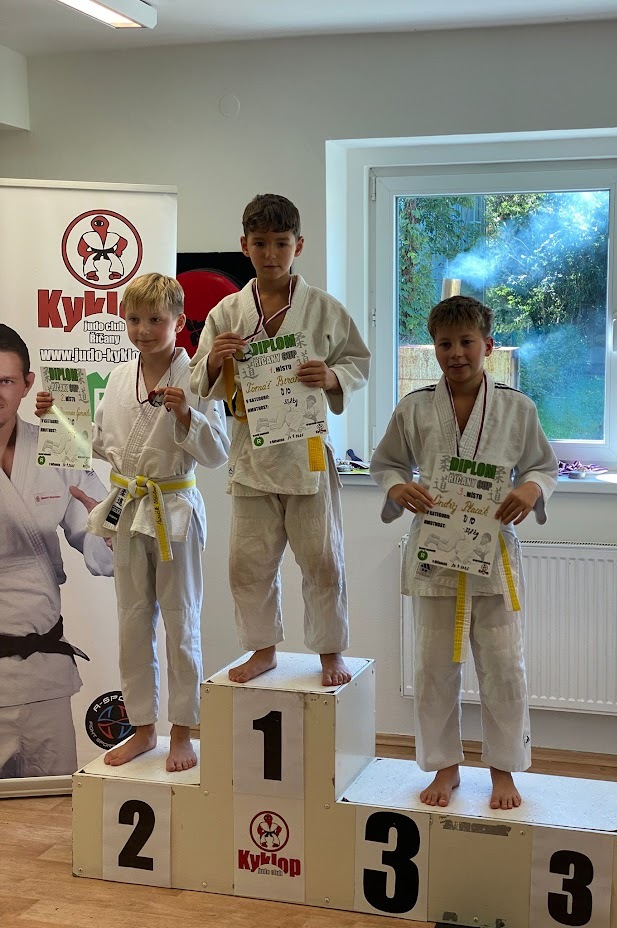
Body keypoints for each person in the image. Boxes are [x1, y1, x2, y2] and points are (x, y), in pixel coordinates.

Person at [37, 274, 230, 772]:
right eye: (134, 319)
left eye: (155, 320)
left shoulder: (196, 379)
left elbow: (218, 453)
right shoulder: (121, 377)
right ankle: (143, 729)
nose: (143, 330)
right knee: (132, 622)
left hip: (173, 508)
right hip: (128, 508)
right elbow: (99, 446)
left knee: (181, 622)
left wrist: (187, 415)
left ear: (179, 322)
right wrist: (57, 418)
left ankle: (182, 732)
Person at [370, 295, 557, 810]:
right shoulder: (414, 408)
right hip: (435, 553)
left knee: (504, 668)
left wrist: (531, 489)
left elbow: (543, 466)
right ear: (433, 348)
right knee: (433, 668)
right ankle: (444, 767)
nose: (456, 353)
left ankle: (503, 771)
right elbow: (386, 463)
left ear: (488, 346)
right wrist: (397, 487)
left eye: (466, 342)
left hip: (492, 557)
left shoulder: (518, 408)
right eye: (445, 344)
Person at [190, 193, 370, 687]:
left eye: (281, 243)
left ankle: (330, 651)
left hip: (306, 449)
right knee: (247, 563)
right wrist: (214, 358)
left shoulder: (323, 309)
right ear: (244, 245)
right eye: (261, 243)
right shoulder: (227, 312)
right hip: (251, 452)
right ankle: (263, 649)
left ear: (299, 245)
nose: (271, 254)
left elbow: (358, 361)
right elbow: (197, 379)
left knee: (323, 558)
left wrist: (332, 377)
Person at [0, 324, 113, 779]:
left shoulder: (58, 449)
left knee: (50, 807)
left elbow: (99, 538)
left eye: (5, 381)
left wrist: (112, 526)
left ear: (28, 384)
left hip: (42, 674)